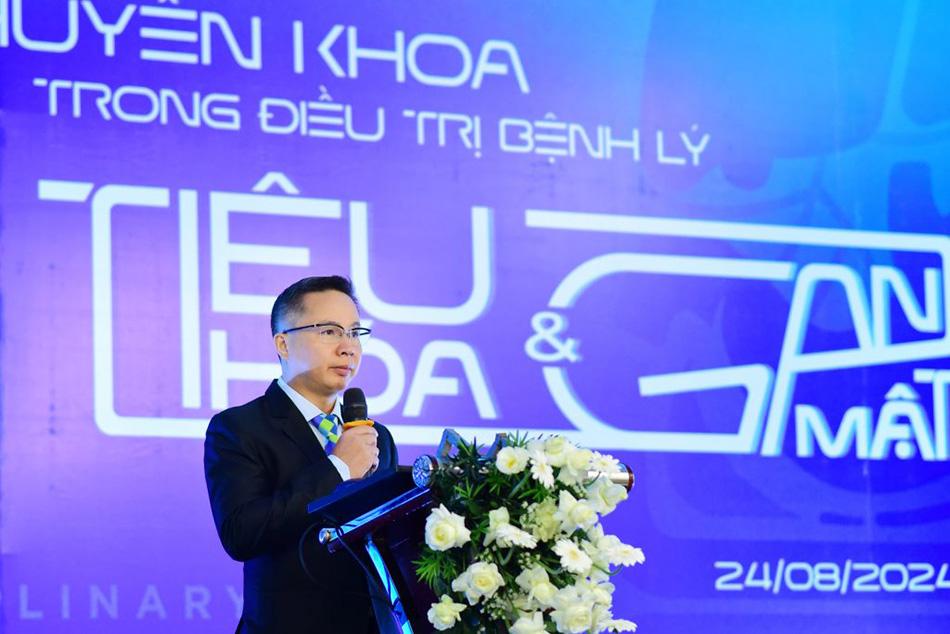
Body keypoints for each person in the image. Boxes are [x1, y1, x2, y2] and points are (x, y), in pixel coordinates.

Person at [204, 276, 399, 633]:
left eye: (355, 332)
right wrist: (338, 468)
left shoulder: (376, 438)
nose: (348, 347)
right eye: (330, 332)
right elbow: (241, 534)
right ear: (283, 343)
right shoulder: (239, 428)